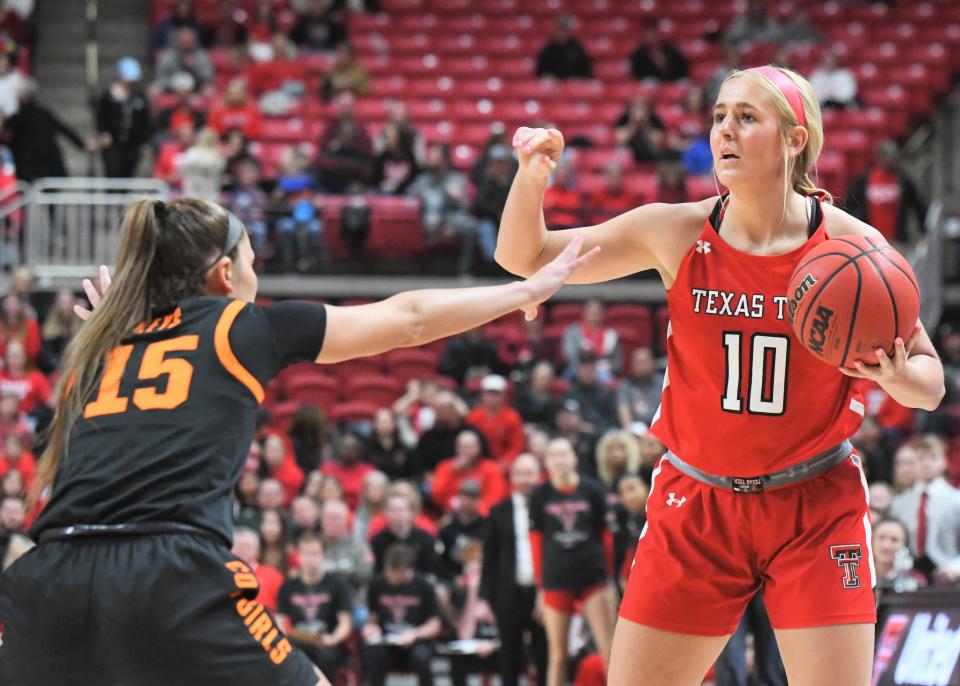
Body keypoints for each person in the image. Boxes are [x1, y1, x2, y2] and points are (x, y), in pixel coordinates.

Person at [0, 194, 595, 685]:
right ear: (225, 274)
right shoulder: (239, 326)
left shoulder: (97, 348)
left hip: (47, 580)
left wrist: (119, 329)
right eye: (253, 261)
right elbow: (407, 317)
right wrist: (523, 292)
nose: (256, 276)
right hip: (167, 574)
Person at [497, 65, 944, 685]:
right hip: (697, 501)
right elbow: (525, 258)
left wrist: (897, 378)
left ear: (795, 140)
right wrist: (530, 178)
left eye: (746, 117)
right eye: (719, 116)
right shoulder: (675, 230)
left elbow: (931, 381)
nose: (724, 130)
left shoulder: (851, 248)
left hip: (815, 504)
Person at [528, 438, 615, 686]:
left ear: (574, 458)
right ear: (546, 463)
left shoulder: (593, 490)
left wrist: (607, 577)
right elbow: (536, 542)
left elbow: (605, 537)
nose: (560, 460)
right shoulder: (540, 496)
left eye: (564, 454)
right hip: (556, 578)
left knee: (609, 649)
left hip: (593, 576)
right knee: (557, 656)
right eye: (554, 455)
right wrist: (540, 587)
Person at [479, 453, 548, 686]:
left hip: (542, 595)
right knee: (509, 657)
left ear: (538, 476)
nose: (524, 479)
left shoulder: (549, 508)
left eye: (529, 474)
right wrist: (484, 597)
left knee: (544, 656)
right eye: (519, 474)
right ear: (512, 478)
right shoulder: (498, 511)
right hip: (508, 594)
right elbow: (489, 557)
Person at [362, 543, 442, 686]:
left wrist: (415, 634)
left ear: (407, 571)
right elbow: (372, 616)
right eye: (389, 571)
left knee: (421, 657)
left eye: (395, 573)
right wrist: (370, 627)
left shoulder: (424, 586)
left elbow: (434, 624)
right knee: (373, 654)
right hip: (387, 641)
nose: (390, 576)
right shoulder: (377, 584)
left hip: (416, 642)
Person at [276, 532, 353, 678]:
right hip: (298, 640)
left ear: (323, 555)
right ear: (298, 556)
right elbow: (279, 621)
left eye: (314, 553)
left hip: (327, 640)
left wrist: (333, 639)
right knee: (281, 657)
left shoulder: (338, 584)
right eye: (305, 553)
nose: (309, 559)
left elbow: (345, 623)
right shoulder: (287, 586)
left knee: (327, 656)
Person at [888, 435, 960, 583]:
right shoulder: (899, 503)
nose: (926, 463)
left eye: (933, 458)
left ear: (944, 462)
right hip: (910, 578)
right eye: (921, 458)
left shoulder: (956, 499)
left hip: (950, 577)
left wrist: (955, 568)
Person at [844, 139, 928, 245]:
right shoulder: (865, 179)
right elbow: (850, 204)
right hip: (869, 239)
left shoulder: (904, 179)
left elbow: (919, 204)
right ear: (878, 157)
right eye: (887, 156)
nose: (891, 159)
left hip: (897, 240)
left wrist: (923, 230)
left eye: (893, 156)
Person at [96, 57, 153, 178]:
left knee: (129, 173)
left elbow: (145, 120)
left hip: (133, 144)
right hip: (113, 143)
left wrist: (145, 140)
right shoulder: (109, 96)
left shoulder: (139, 96)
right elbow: (101, 117)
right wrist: (103, 132)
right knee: (113, 172)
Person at [466, 374, 525, 469]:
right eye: (489, 393)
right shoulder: (473, 417)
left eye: (496, 394)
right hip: (478, 463)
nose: (493, 398)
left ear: (503, 395)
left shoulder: (512, 417)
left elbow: (516, 446)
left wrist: (505, 462)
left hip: (505, 464)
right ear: (482, 394)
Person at [535, 15, 592, 80]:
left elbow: (586, 70)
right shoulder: (548, 48)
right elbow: (540, 72)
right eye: (560, 29)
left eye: (565, 29)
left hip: (574, 85)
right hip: (553, 85)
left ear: (570, 30)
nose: (562, 32)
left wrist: (577, 78)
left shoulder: (578, 48)